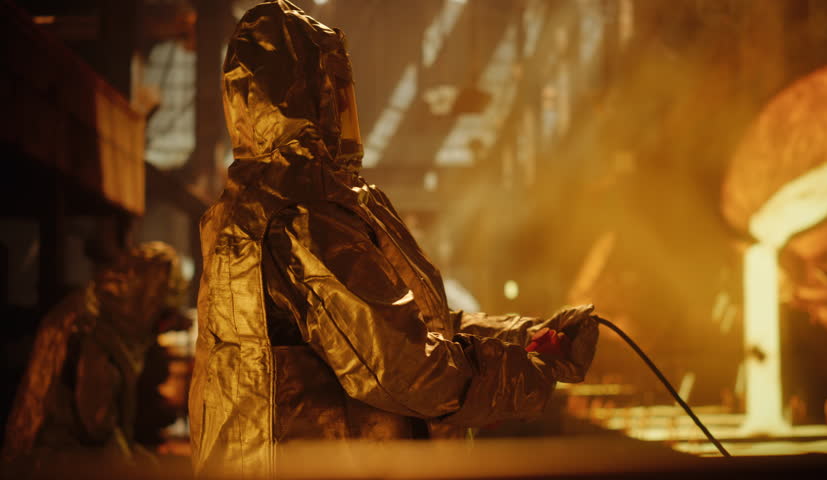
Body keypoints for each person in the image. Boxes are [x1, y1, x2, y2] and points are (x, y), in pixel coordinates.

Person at [189, 1, 599, 475]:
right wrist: (526, 370)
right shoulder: (302, 214)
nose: (343, 108)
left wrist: (527, 337)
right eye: (333, 90)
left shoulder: (262, 203)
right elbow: (403, 368)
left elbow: (413, 322)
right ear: (305, 97)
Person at [2, 241, 188, 469]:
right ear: (144, 298)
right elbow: (99, 425)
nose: (157, 327)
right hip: (51, 465)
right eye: (160, 312)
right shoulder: (93, 331)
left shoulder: (99, 315)